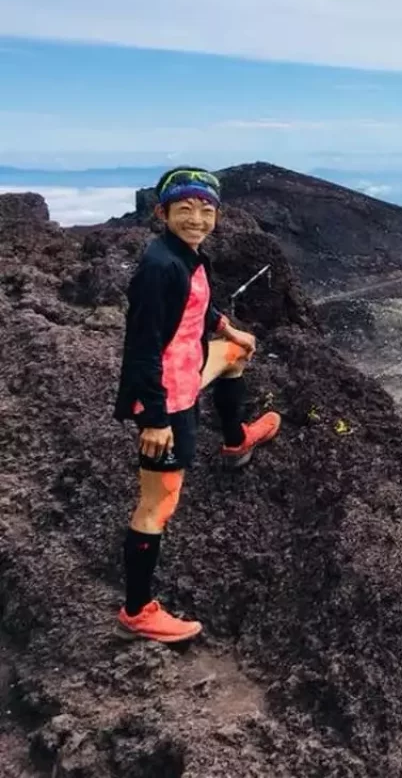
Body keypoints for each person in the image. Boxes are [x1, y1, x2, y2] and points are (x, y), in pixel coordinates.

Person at [111, 166, 281, 643]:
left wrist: (229, 331)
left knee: (235, 356)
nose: (197, 218)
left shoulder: (186, 256)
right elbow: (142, 348)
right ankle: (137, 611)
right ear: (162, 213)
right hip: (169, 395)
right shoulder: (158, 267)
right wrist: (155, 418)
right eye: (184, 209)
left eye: (206, 210)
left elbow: (197, 305)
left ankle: (236, 441)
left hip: (191, 366)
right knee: (158, 504)